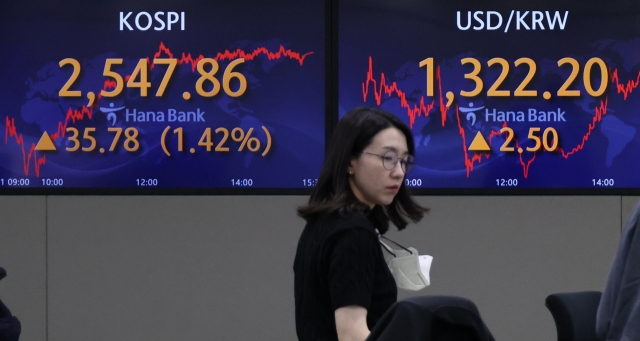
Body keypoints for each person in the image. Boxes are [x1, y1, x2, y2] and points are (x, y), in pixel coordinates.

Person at [294, 107, 428, 341]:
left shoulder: (324, 223)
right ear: (350, 162)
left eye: (404, 161)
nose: (398, 173)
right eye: (388, 158)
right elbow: (353, 335)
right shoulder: (353, 233)